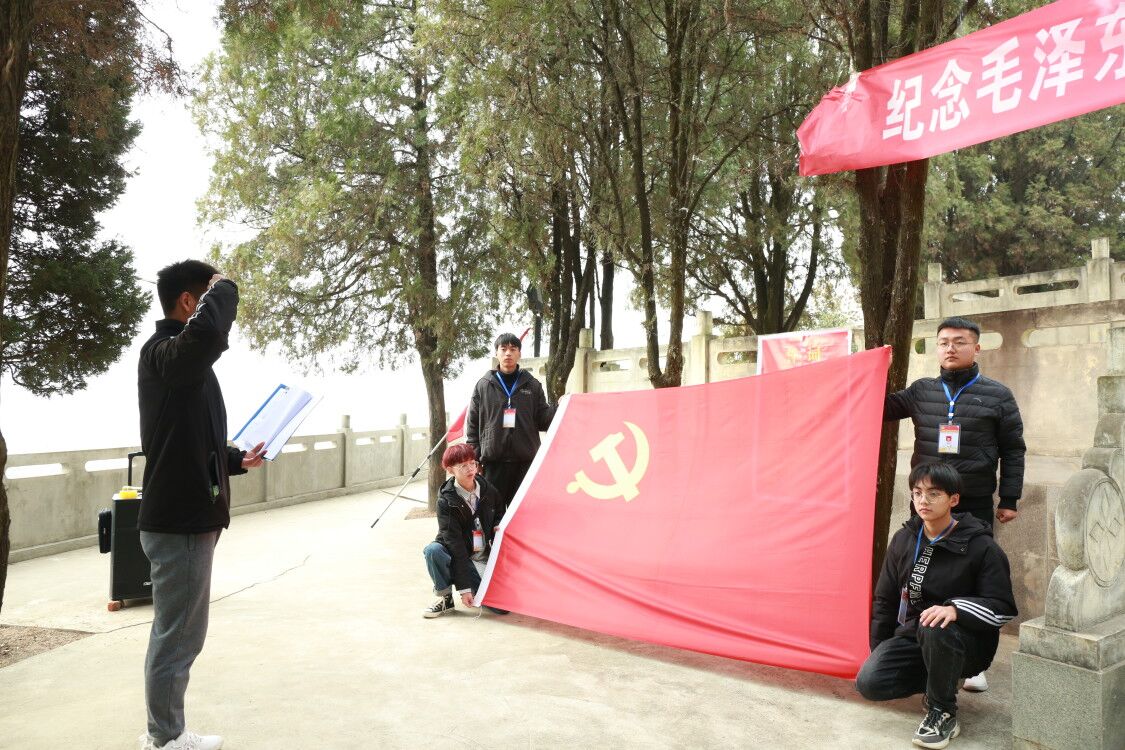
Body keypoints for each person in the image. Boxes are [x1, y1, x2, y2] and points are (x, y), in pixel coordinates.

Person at [137, 261, 267, 750]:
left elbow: (191, 437)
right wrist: (225, 285)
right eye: (207, 293)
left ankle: (164, 732)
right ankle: (165, 738)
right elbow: (208, 334)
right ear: (189, 302)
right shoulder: (163, 352)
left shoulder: (182, 364)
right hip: (179, 520)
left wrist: (235, 459)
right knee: (178, 637)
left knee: (179, 634)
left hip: (188, 516)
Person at [884, 315, 1024, 693]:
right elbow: (879, 408)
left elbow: (1013, 449)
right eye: (944, 342)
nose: (951, 348)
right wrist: (869, 371)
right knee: (922, 571)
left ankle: (972, 661)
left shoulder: (998, 395)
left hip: (973, 502)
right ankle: (920, 645)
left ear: (976, 348)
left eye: (959, 342)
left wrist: (1009, 498)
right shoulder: (921, 391)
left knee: (973, 578)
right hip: (927, 503)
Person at [856, 462, 1017, 749]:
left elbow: (1003, 607)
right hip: (914, 635)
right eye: (917, 493)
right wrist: (879, 649)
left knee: (936, 625)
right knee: (870, 682)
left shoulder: (981, 546)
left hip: (966, 642)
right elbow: (885, 600)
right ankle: (941, 680)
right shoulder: (905, 539)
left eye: (934, 494)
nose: (923, 500)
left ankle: (943, 712)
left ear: (953, 499)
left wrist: (956, 609)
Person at [465, 332, 555, 510]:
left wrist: (560, 407)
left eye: (513, 349)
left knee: (522, 514)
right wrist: (475, 458)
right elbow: (473, 425)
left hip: (525, 463)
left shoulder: (532, 385)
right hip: (493, 464)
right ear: (497, 353)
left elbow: (543, 420)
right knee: (493, 514)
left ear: (519, 354)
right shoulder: (483, 385)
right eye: (503, 349)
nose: (508, 353)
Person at [422, 443, 507, 617]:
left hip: (484, 556)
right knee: (433, 551)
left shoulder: (487, 489)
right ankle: (445, 599)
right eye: (463, 465)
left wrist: (498, 525)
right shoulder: (446, 501)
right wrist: (464, 587)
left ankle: (477, 583)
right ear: (450, 470)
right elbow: (454, 544)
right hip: (462, 555)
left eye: (472, 463)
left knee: (501, 607)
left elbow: (500, 512)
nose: (470, 469)